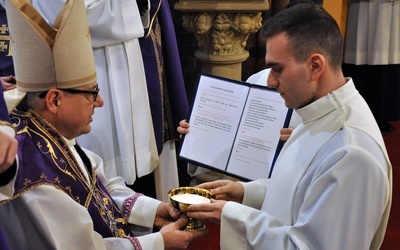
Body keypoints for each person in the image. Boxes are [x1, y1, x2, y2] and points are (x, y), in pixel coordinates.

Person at [184, 3, 392, 249]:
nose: (270, 82)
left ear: (315, 66)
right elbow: (300, 187)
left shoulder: (352, 154)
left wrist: (232, 215)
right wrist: (244, 192)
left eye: (277, 68)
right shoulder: (317, 112)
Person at [0, 0, 204, 249]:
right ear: (54, 100)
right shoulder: (34, 171)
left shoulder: (46, 131)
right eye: (91, 93)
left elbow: (99, 184)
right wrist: (160, 242)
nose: (100, 102)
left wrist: (155, 211)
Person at [343, 0, 400, 132]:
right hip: (359, 7)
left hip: (388, 7)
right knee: (358, 49)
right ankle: (354, 115)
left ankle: (380, 115)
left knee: (385, 50)